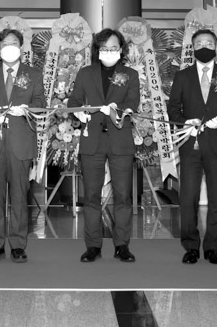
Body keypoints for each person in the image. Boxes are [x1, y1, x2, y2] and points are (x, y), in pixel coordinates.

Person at [167, 29, 217, 265]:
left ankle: (212, 247)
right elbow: (173, 108)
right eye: (199, 43)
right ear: (192, 47)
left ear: (216, 46)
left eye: (209, 42)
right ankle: (190, 246)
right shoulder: (183, 76)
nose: (204, 46)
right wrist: (184, 122)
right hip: (190, 144)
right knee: (188, 197)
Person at [66, 28, 140, 263]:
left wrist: (119, 110)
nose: (109, 52)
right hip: (93, 140)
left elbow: (133, 102)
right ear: (97, 50)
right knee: (91, 195)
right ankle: (93, 246)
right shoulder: (86, 73)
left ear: (121, 50)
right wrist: (79, 113)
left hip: (120, 140)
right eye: (104, 48)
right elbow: (74, 101)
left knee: (123, 196)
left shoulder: (130, 74)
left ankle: (122, 245)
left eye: (114, 48)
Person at [0, 29, 46, 263]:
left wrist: (26, 110)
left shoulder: (33, 74)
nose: (9, 47)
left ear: (21, 47)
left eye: (14, 43)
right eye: (5, 44)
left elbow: (40, 103)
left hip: (21, 142)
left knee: (19, 196)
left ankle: (18, 245)